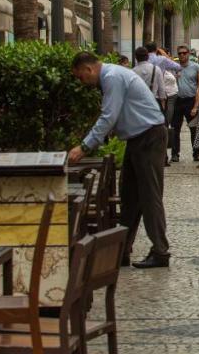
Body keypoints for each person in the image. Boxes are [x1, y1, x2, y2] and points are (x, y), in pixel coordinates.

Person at [68, 52, 170, 268]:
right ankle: (121, 250)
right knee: (129, 196)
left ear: (88, 69)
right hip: (138, 138)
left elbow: (108, 116)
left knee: (150, 196)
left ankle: (160, 251)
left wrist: (85, 147)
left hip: (148, 136)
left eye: (80, 77)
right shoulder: (113, 75)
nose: (82, 82)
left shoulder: (112, 77)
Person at [169, 45, 199, 163]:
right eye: (180, 53)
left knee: (194, 128)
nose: (182, 55)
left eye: (184, 53)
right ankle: (175, 154)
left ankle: (196, 153)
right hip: (176, 100)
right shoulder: (174, 67)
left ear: (188, 54)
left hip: (191, 100)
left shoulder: (196, 67)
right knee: (175, 129)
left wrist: (197, 104)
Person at [132, 46, 174, 120]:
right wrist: (163, 104)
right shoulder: (156, 69)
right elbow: (161, 89)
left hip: (138, 104)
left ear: (136, 57)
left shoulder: (132, 71)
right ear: (147, 56)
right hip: (154, 102)